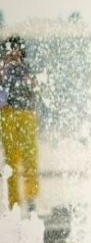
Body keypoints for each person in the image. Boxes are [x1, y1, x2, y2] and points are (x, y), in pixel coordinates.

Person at [0, 36, 40, 212]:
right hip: (7, 114)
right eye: (10, 50)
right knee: (12, 160)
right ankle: (14, 201)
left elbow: (36, 89)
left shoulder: (26, 69)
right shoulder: (3, 68)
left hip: (26, 114)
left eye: (16, 50)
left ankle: (31, 197)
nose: (14, 53)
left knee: (30, 157)